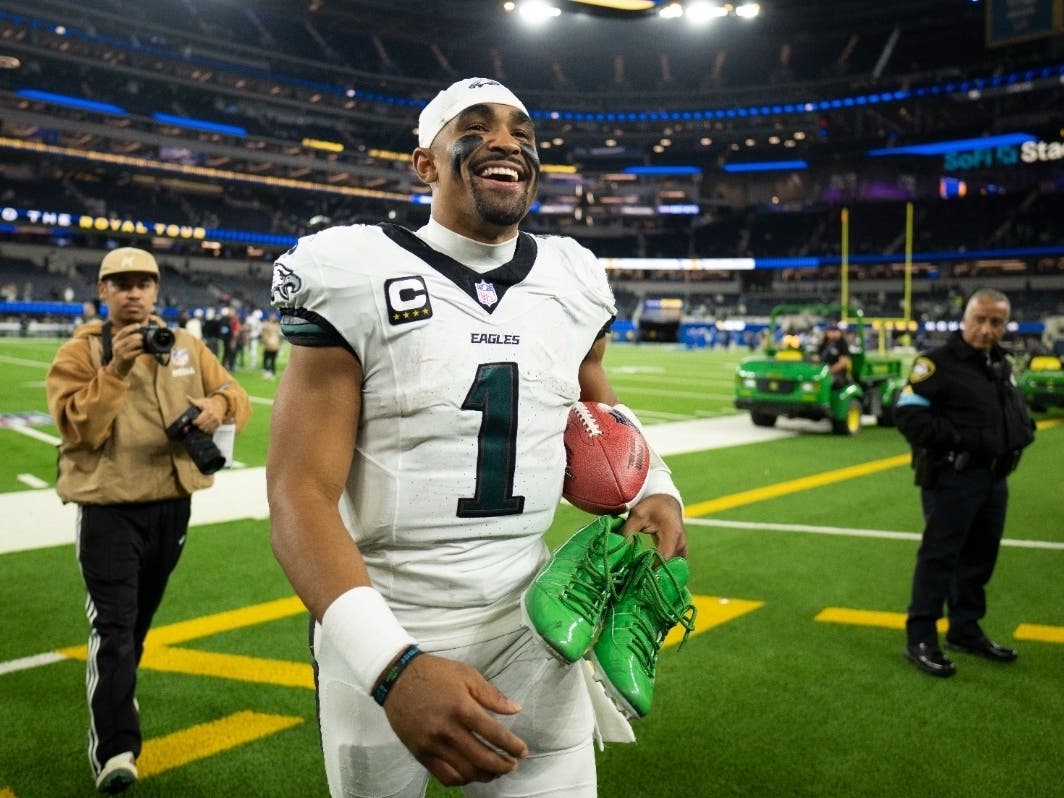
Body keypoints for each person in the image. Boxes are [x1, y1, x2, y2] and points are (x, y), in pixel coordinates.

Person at [266, 77, 688, 798]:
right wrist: (390, 665)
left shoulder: (570, 277)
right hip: (388, 611)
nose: (506, 141)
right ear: (425, 163)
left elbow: (596, 405)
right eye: (479, 125)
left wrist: (656, 487)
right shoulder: (355, 269)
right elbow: (297, 493)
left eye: (522, 131)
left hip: (538, 615)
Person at [45, 247, 251, 793]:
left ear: (157, 291)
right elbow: (77, 429)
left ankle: (118, 687)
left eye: (143, 283)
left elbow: (236, 393)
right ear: (103, 290)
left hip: (172, 502)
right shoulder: (79, 352)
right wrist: (116, 368)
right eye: (121, 284)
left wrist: (218, 408)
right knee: (113, 629)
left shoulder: (184, 343)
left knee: (135, 627)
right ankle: (115, 750)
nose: (133, 292)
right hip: (108, 506)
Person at [895, 288, 1035, 678]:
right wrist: (960, 439)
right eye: (980, 319)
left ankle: (964, 628)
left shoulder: (999, 364)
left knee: (979, 557)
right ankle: (920, 636)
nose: (987, 329)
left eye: (996, 322)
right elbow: (908, 416)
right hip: (952, 476)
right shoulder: (936, 363)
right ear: (965, 318)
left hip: (993, 477)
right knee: (940, 558)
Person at [818, 322, 852, 386]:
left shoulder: (841, 343)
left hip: (838, 374)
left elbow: (843, 363)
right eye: (831, 330)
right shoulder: (824, 343)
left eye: (836, 330)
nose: (833, 332)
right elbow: (819, 357)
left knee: (825, 381)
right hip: (822, 371)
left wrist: (829, 371)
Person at [260, 311, 281, 379]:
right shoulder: (276, 325)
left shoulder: (267, 325)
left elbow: (264, 335)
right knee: (270, 359)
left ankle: (268, 370)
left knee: (268, 358)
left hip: (271, 344)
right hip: (273, 344)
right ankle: (271, 370)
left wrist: (265, 342)